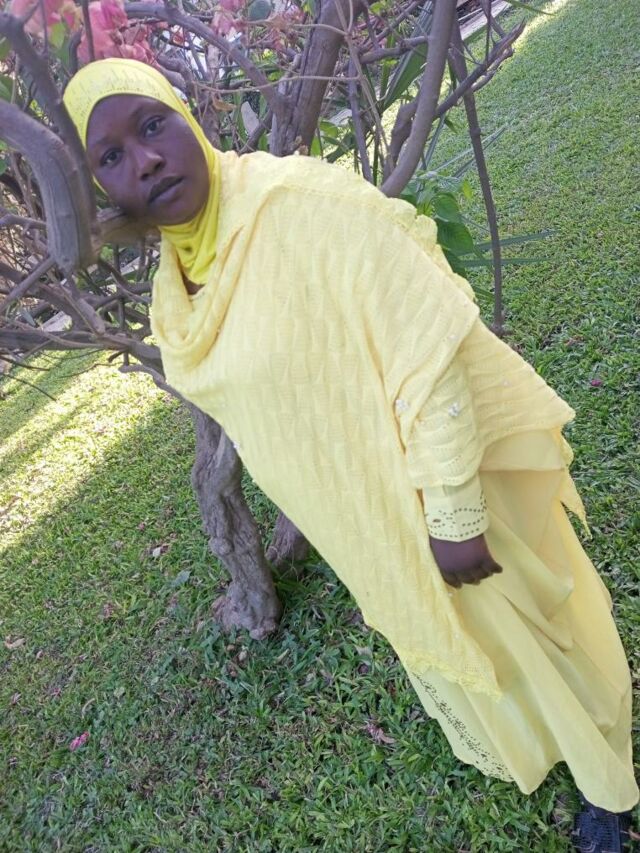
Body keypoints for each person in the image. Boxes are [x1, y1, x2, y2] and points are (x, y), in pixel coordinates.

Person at [63, 58, 637, 850]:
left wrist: (453, 513)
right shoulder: (179, 282)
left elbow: (426, 353)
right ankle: (551, 745)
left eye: (152, 125)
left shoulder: (302, 207)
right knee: (479, 648)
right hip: (366, 518)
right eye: (112, 156)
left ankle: (609, 783)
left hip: (443, 489)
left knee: (535, 635)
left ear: (189, 116)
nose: (146, 160)